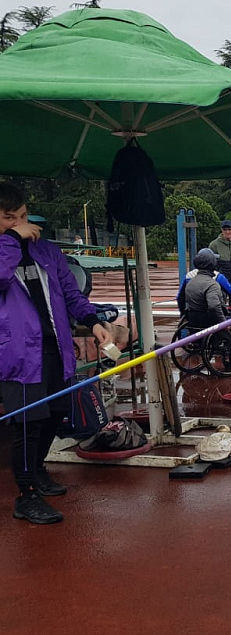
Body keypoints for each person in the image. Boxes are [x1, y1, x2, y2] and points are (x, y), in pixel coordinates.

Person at [0, 182, 113, 525]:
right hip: (16, 357)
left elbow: (71, 293)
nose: (21, 224)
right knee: (27, 424)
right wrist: (12, 240)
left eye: (22, 217)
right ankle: (26, 495)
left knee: (55, 414)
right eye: (8, 218)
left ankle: (36, 470)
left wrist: (93, 321)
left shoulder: (46, 251)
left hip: (55, 349)